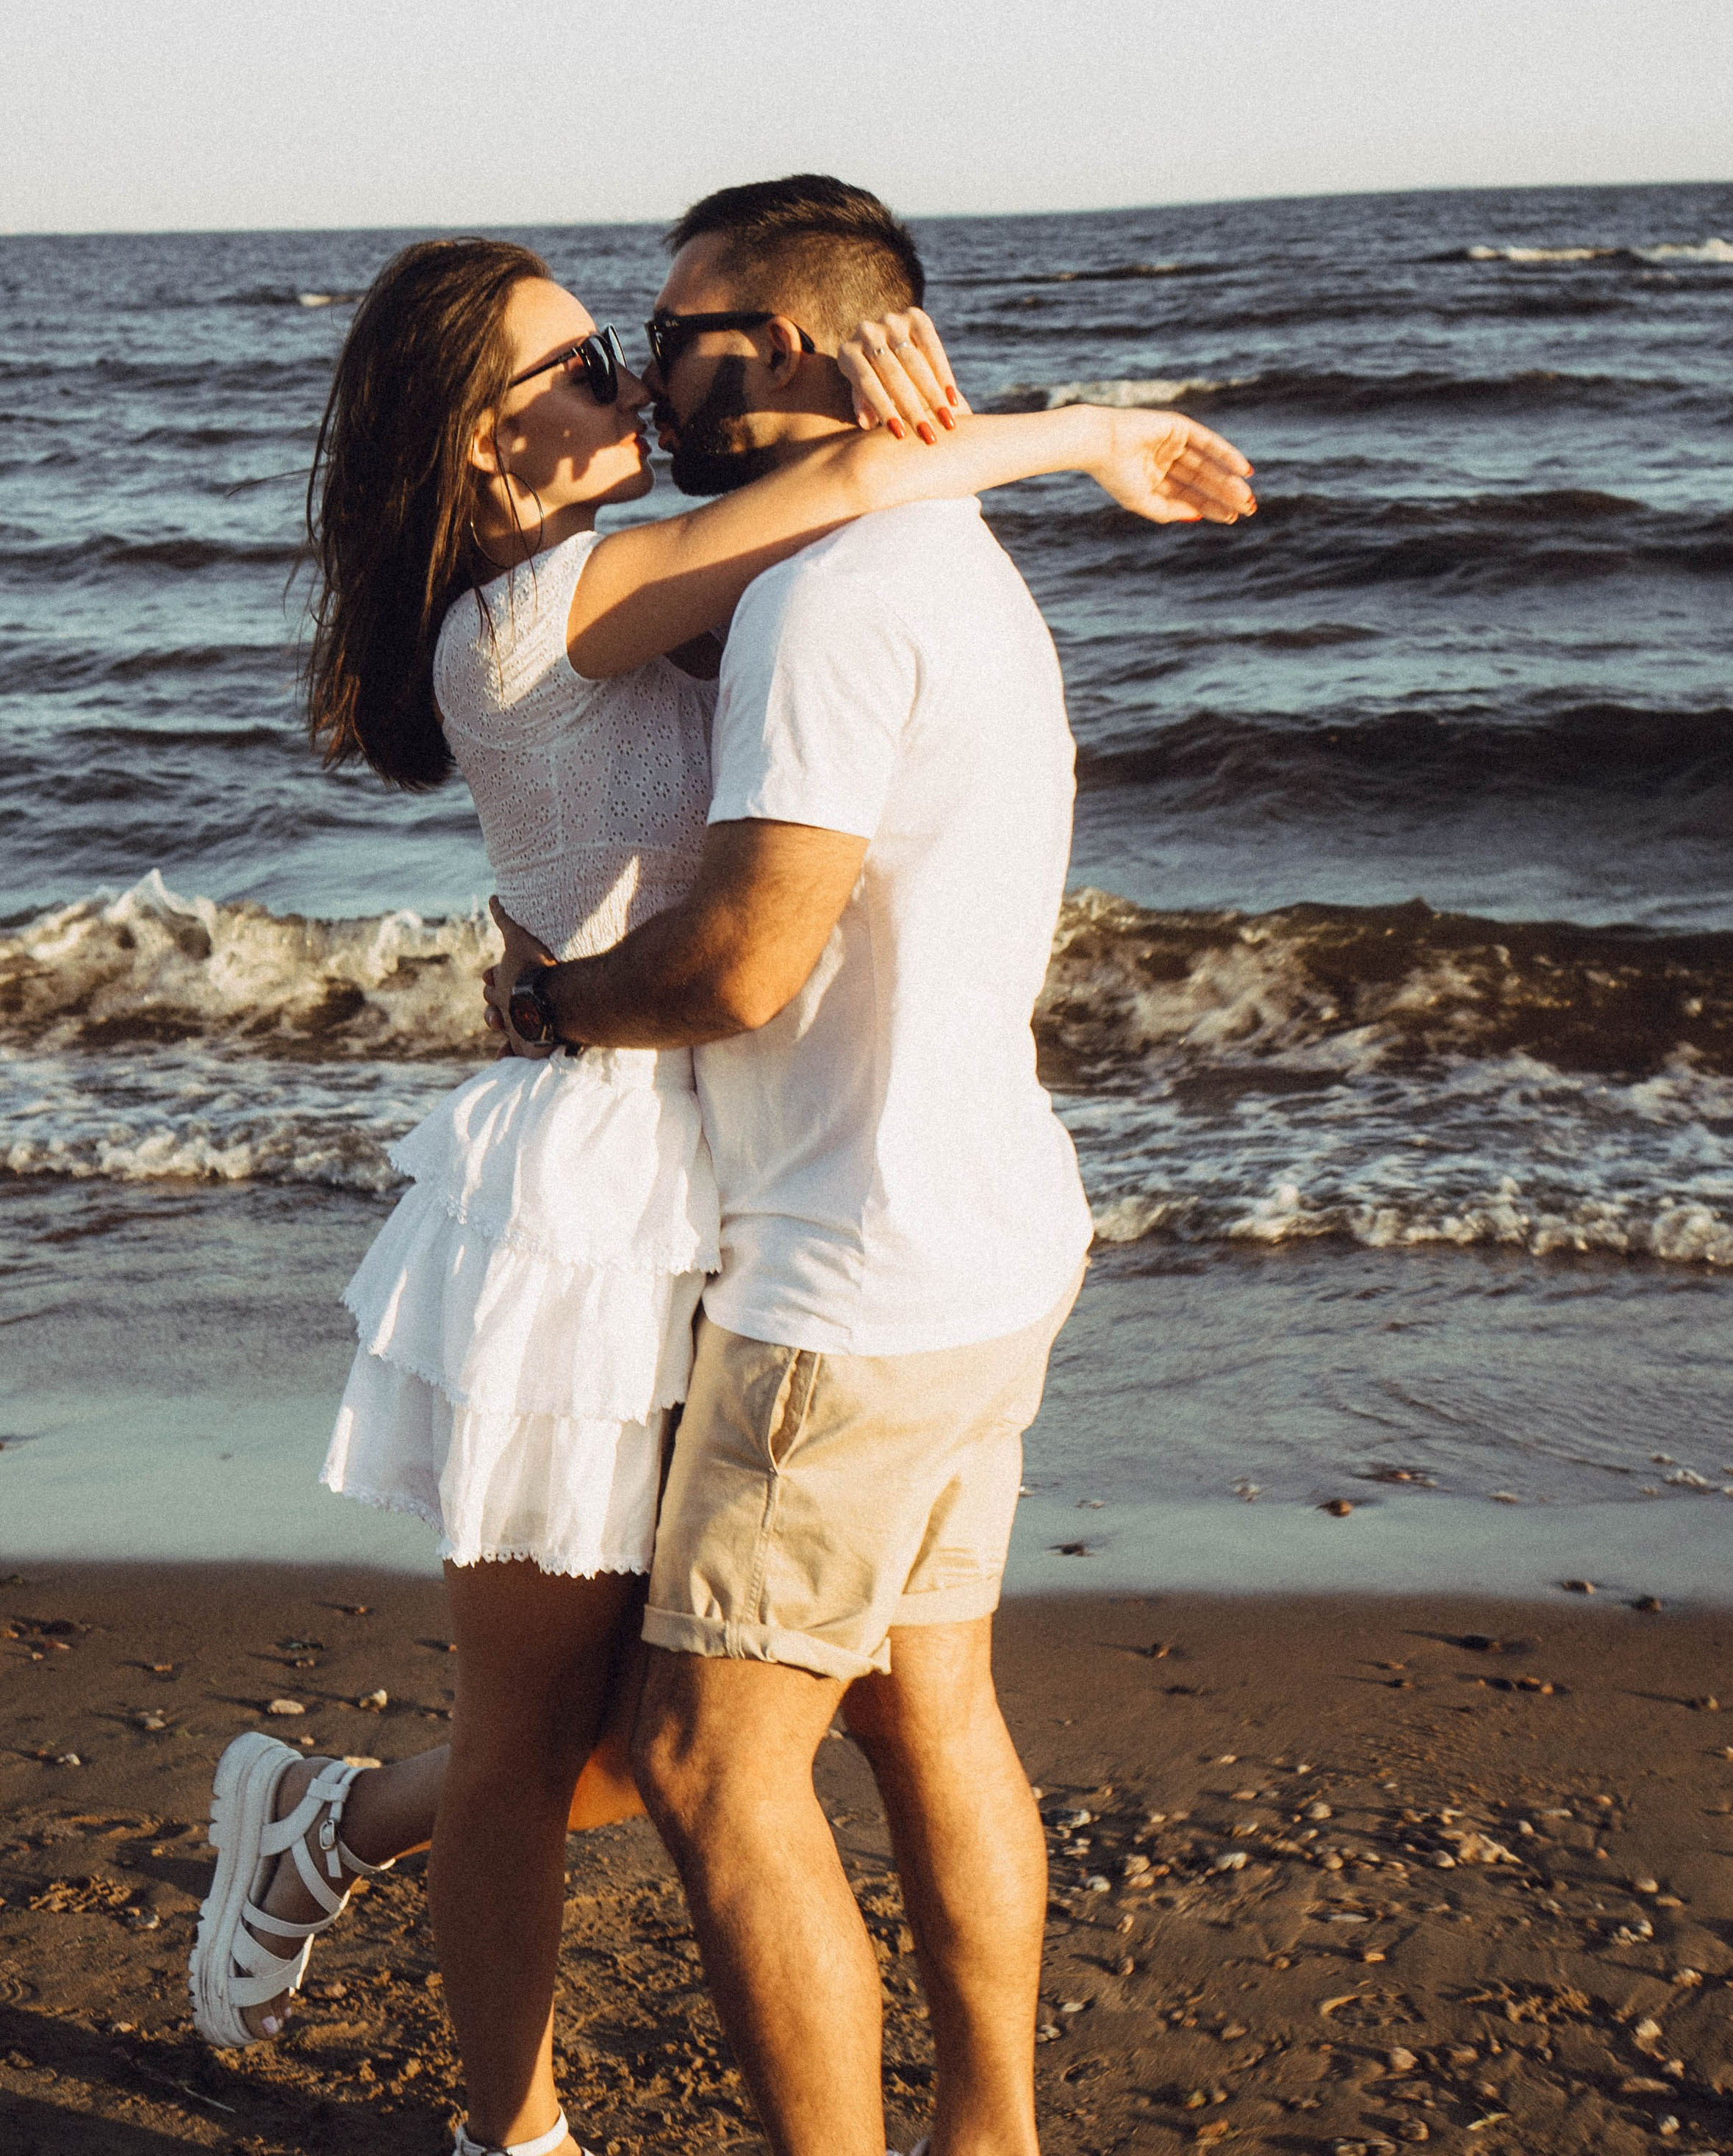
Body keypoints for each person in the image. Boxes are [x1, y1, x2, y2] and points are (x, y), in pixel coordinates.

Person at [188, 192, 1253, 2156]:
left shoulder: (694, 580)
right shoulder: (534, 615)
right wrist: (1079, 432)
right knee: (544, 1741)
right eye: (584, 362)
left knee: (677, 1724)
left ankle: (324, 1818)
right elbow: (824, 503)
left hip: (750, 1183)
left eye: (636, 348)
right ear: (471, 436)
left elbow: (841, 507)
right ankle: (511, 2132)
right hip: (596, 1205)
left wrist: (916, 418)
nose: (625, 384)